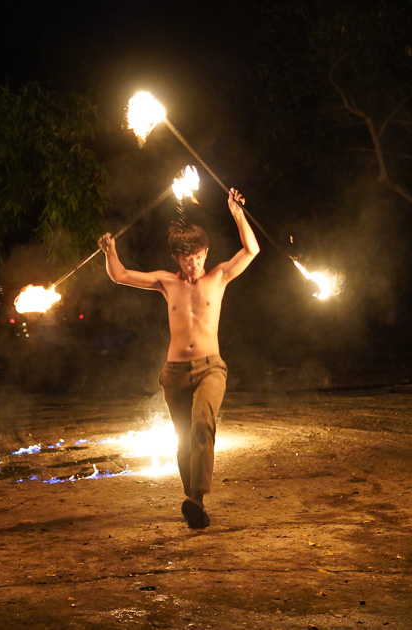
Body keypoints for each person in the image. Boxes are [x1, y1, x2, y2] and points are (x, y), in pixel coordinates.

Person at [98, 188, 260, 529]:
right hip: (174, 373)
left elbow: (251, 249)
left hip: (210, 368)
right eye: (188, 258)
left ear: (205, 252)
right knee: (184, 438)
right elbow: (120, 275)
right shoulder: (166, 282)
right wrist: (111, 251)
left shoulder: (218, 277)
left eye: (199, 255)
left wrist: (237, 212)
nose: (194, 263)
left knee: (202, 423)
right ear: (176, 258)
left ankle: (197, 497)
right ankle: (192, 500)